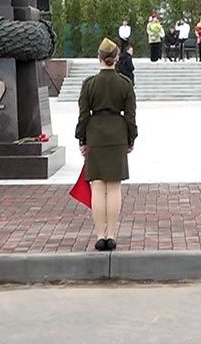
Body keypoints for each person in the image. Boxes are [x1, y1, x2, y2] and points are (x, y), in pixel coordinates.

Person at [75, 37, 137, 251]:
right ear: (117, 59)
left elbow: (83, 115)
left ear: (99, 58)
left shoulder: (89, 84)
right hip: (117, 135)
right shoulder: (125, 84)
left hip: (96, 136)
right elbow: (130, 115)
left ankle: (100, 235)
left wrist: (82, 139)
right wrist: (131, 138)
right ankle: (112, 233)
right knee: (114, 187)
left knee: (98, 187)